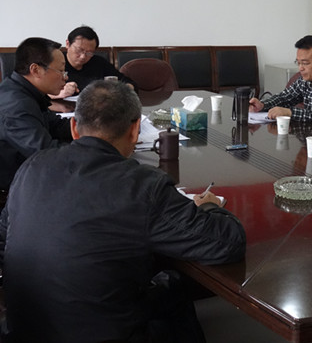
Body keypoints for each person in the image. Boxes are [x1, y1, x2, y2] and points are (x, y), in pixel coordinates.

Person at [0, 80, 246, 342]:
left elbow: (5, 237)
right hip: (102, 333)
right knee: (174, 287)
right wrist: (208, 205)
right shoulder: (142, 185)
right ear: (135, 130)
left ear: (74, 128)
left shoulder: (32, 167)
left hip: (24, 330)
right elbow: (227, 243)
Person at [0, 37, 72, 193]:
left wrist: (95, 127)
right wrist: (93, 150)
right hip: (13, 191)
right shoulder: (15, 105)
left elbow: (56, 125)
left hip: (30, 174)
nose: (65, 77)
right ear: (36, 70)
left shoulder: (25, 92)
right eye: (61, 71)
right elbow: (46, 154)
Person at [50, 25, 134, 98]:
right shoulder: (54, 61)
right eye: (79, 50)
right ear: (68, 44)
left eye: (89, 53)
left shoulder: (99, 62)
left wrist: (122, 90)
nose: (83, 56)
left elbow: (127, 82)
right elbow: (41, 91)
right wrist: (57, 94)